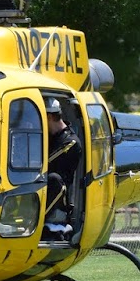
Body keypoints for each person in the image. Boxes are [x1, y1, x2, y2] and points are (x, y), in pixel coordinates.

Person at [44, 97, 82, 238]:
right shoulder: (51, 137)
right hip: (42, 193)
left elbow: (43, 164)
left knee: (54, 179)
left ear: (48, 116)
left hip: (58, 199)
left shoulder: (69, 142)